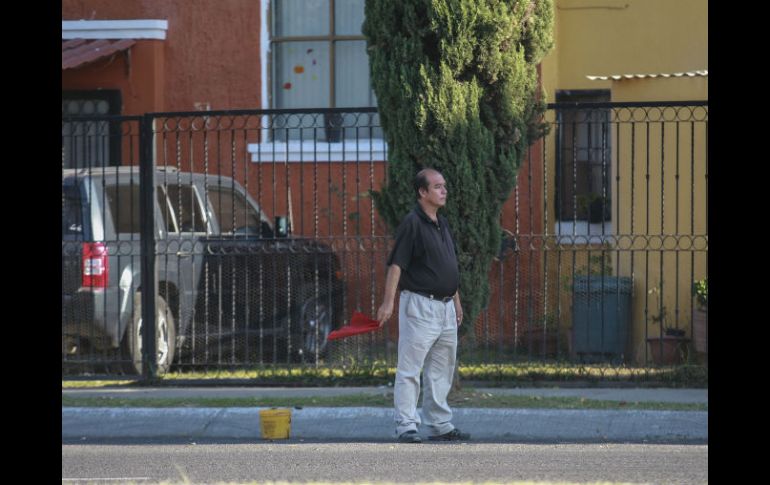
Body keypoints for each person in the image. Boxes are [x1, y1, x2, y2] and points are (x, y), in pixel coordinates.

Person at [376, 168, 471, 443]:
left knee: (442, 369)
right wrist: (387, 303)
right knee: (410, 368)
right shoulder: (412, 223)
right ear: (422, 192)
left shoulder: (442, 223)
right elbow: (397, 265)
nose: (444, 191)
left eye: (444, 186)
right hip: (420, 306)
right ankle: (406, 425)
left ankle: (440, 423)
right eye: (438, 187)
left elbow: (447, 264)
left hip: (445, 308)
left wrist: (456, 300)